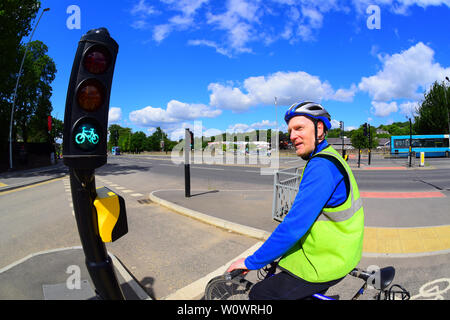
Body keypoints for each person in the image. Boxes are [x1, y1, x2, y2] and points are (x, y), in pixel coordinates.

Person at [227, 101, 365, 300]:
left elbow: (293, 226)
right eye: (290, 130)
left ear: (319, 129)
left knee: (261, 293)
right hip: (340, 252)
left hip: (326, 261)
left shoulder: (321, 167)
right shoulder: (330, 156)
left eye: (299, 128)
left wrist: (251, 262)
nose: (292, 136)